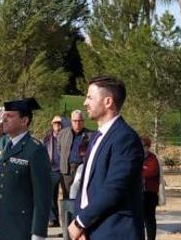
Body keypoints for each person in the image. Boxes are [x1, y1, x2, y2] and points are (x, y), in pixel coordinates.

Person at [69, 76, 144, 240]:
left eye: (90, 97)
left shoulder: (126, 138)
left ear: (108, 102)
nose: (85, 103)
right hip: (91, 231)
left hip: (114, 232)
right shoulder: (97, 136)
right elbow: (85, 186)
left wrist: (80, 222)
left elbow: (114, 188)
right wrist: (79, 221)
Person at [0, 98, 51, 240]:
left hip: (22, 224)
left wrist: (38, 232)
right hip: (1, 222)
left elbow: (43, 195)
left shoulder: (35, 150)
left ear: (24, 121)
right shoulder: (3, 142)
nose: (3, 119)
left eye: (10, 115)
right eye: (4, 115)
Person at [58, 110, 91, 197]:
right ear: (71, 121)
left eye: (80, 121)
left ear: (83, 121)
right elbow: (59, 149)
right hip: (66, 170)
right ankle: (68, 211)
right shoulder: (62, 133)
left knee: (81, 195)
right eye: (75, 121)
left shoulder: (91, 135)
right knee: (67, 196)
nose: (77, 123)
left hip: (82, 169)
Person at [42, 115, 63, 227]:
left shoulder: (66, 136)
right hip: (53, 169)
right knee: (51, 194)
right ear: (52, 125)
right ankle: (54, 220)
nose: (57, 125)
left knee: (68, 195)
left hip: (65, 169)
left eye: (59, 123)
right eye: (55, 123)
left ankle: (67, 220)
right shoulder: (47, 138)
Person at [140, 136, 161, 240]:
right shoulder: (135, 157)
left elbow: (152, 171)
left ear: (148, 147)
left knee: (149, 219)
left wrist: (141, 170)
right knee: (139, 220)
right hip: (138, 194)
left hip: (150, 194)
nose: (142, 148)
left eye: (143, 146)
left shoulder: (153, 158)